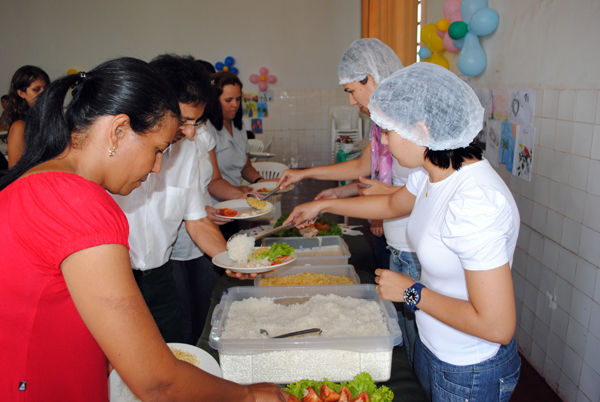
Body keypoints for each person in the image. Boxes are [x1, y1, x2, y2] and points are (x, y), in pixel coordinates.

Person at [0, 57, 291, 402]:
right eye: (157, 149)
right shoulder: (82, 203)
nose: (156, 167)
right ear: (118, 130)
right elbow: (157, 382)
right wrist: (248, 395)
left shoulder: (33, 181)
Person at [283, 63, 521, 401]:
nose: (384, 140)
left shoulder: (474, 202)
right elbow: (392, 204)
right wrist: (322, 206)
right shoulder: (432, 173)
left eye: (388, 132)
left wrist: (411, 293)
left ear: (420, 131)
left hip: (468, 368)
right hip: (433, 345)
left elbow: (497, 326)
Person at [276, 38, 422, 363]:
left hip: (411, 243)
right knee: (406, 335)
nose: (352, 101)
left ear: (371, 78)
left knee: (416, 339)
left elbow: (405, 196)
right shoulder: (383, 122)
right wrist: (309, 177)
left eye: (352, 91)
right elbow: (365, 168)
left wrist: (323, 203)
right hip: (397, 241)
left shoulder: (407, 125)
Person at [110, 54, 227, 344]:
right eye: (184, 121)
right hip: (116, 279)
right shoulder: (114, 149)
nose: (190, 132)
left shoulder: (186, 151)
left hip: (161, 277)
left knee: (176, 350)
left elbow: (197, 221)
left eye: (197, 122)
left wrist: (234, 261)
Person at [204, 71, 270, 238]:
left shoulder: (238, 127)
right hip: (216, 206)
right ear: (215, 101)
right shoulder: (207, 130)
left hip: (236, 203)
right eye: (228, 100)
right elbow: (214, 182)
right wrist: (240, 194)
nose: (235, 104)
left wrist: (261, 182)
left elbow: (245, 166)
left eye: (238, 99)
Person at [5, 65, 50, 167]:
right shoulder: (19, 126)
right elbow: (15, 169)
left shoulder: (45, 119)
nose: (43, 93)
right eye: (36, 89)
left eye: (46, 88)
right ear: (21, 93)